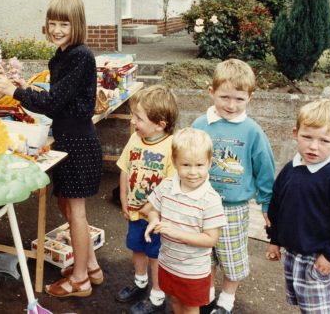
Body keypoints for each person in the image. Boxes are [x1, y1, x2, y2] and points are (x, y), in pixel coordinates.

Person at [0, 0, 103, 298]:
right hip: (68, 139)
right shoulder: (61, 56)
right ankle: (92, 266)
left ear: (76, 25)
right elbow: (59, 100)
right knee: (65, 204)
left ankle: (80, 279)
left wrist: (15, 92)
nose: (56, 29)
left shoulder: (80, 56)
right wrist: (27, 89)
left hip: (79, 142)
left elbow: (54, 104)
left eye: (63, 24)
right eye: (52, 23)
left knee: (76, 210)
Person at [191, 59, 275, 314]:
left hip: (234, 209)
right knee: (205, 255)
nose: (231, 105)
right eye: (224, 97)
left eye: (239, 99)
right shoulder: (200, 125)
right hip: (202, 205)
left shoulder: (252, 131)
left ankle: (227, 298)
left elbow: (265, 170)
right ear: (211, 92)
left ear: (250, 97)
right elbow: (185, 157)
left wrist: (267, 204)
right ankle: (208, 292)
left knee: (231, 256)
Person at [266, 98, 330, 314]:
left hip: (319, 256)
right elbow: (276, 206)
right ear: (295, 133)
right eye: (307, 137)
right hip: (292, 253)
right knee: (304, 304)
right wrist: (274, 240)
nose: (313, 146)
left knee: (319, 309)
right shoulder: (290, 169)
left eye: (324, 140)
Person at [143, 128, 227, 314]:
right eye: (186, 165)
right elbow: (153, 210)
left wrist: (176, 233)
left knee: (190, 308)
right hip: (167, 262)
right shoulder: (166, 186)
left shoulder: (210, 199)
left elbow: (211, 239)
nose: (193, 172)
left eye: (199, 165)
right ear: (174, 162)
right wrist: (153, 220)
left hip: (193, 271)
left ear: (209, 163)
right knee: (174, 301)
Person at [115, 85, 178, 314]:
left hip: (156, 218)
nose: (133, 121)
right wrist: (123, 199)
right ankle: (140, 283)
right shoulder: (135, 139)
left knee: (155, 256)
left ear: (160, 123)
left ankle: (157, 295)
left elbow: (171, 186)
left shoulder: (171, 147)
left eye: (138, 118)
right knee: (136, 247)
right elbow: (124, 169)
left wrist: (154, 210)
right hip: (134, 212)